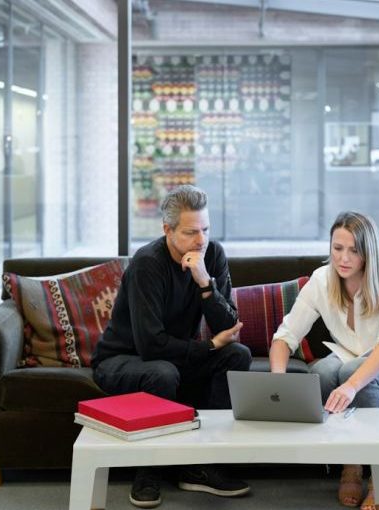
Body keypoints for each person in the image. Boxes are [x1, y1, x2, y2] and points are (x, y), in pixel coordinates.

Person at [92, 185, 252, 509]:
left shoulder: (212, 255)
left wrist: (205, 283)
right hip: (122, 359)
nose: (201, 240)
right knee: (162, 373)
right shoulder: (147, 264)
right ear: (167, 229)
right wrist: (208, 347)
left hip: (173, 357)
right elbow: (150, 345)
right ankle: (148, 469)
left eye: (206, 229)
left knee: (238, 355)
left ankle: (201, 465)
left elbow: (229, 326)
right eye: (191, 232)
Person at [268, 211, 379, 510]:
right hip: (354, 359)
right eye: (337, 248)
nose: (343, 258)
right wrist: (278, 381)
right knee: (321, 371)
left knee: (355, 372)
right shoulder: (322, 280)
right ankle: (352, 464)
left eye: (354, 250)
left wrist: (351, 386)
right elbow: (285, 337)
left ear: (368, 251)